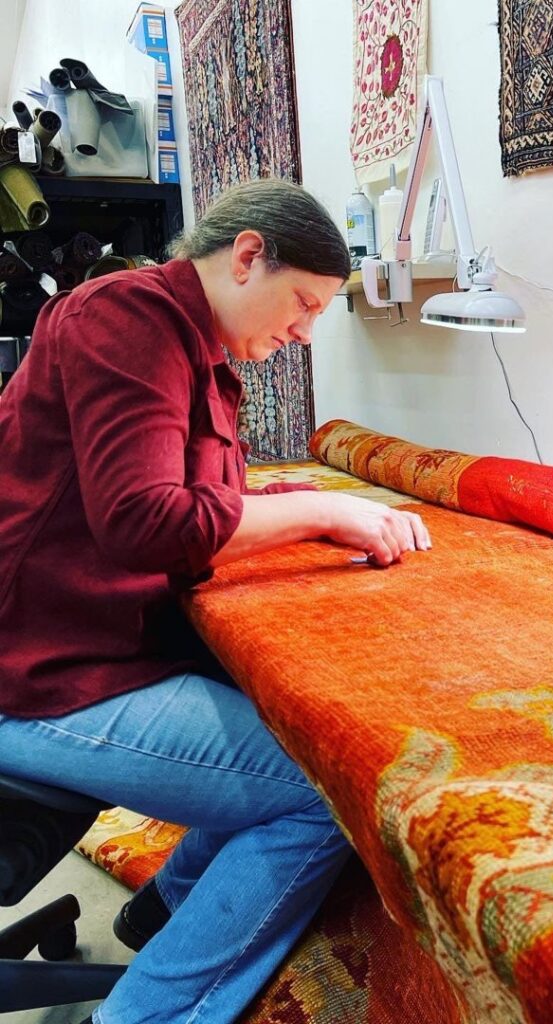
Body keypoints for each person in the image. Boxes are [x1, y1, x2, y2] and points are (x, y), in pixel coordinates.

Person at [0, 178, 431, 1023]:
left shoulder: (195, 359)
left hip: (77, 650)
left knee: (282, 709)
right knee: (323, 788)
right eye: (304, 303)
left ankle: (158, 915)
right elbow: (144, 522)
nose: (305, 330)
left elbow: (196, 512)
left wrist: (309, 524)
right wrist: (324, 510)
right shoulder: (125, 320)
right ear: (246, 257)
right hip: (34, 676)